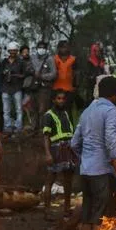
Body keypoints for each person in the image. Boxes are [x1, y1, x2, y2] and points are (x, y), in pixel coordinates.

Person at [70, 76, 116, 230]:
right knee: (101, 218)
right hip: (101, 172)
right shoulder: (110, 111)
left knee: (87, 216)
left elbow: (74, 143)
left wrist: (85, 160)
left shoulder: (87, 111)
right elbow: (112, 143)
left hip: (85, 171)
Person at [42, 89, 78, 218]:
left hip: (68, 148)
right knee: (50, 178)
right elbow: (46, 136)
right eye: (59, 98)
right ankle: (47, 210)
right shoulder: (48, 115)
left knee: (68, 179)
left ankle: (67, 209)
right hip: (56, 149)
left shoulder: (66, 113)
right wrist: (48, 154)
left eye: (63, 98)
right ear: (53, 100)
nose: (61, 101)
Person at [31, 41, 57, 129]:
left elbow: (54, 74)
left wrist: (42, 76)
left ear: (46, 49)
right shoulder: (33, 58)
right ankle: (34, 128)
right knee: (34, 109)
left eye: (43, 48)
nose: (41, 49)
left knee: (43, 109)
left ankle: (44, 129)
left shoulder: (50, 59)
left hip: (44, 88)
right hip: (34, 88)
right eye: (39, 47)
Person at [1, 43, 26, 134]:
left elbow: (24, 74)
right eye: (11, 51)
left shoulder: (21, 62)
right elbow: (0, 74)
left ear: (17, 51)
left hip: (17, 88)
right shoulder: (4, 62)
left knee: (18, 109)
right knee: (6, 110)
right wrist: (5, 73)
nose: (12, 52)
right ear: (8, 51)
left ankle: (18, 127)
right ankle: (7, 127)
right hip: (5, 88)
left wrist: (15, 75)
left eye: (14, 50)